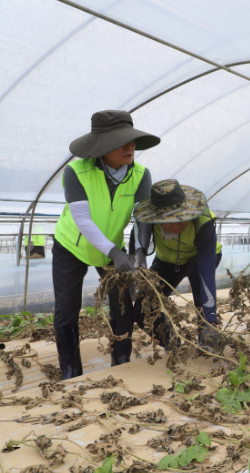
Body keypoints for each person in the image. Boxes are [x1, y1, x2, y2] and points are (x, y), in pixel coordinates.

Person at [52, 110, 158, 379]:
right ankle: (70, 371)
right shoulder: (76, 171)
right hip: (72, 247)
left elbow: (143, 215)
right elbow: (83, 220)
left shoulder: (140, 174)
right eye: (122, 141)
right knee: (67, 308)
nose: (130, 146)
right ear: (102, 146)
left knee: (121, 305)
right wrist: (113, 252)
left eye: (132, 140)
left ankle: (121, 361)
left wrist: (139, 251)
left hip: (113, 247)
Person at [132, 179, 223, 354]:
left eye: (183, 218)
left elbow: (205, 273)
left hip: (201, 260)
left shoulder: (204, 222)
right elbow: (138, 251)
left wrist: (210, 318)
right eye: (172, 220)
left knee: (195, 275)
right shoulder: (147, 222)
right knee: (142, 309)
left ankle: (206, 341)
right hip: (168, 260)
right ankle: (172, 343)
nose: (179, 224)